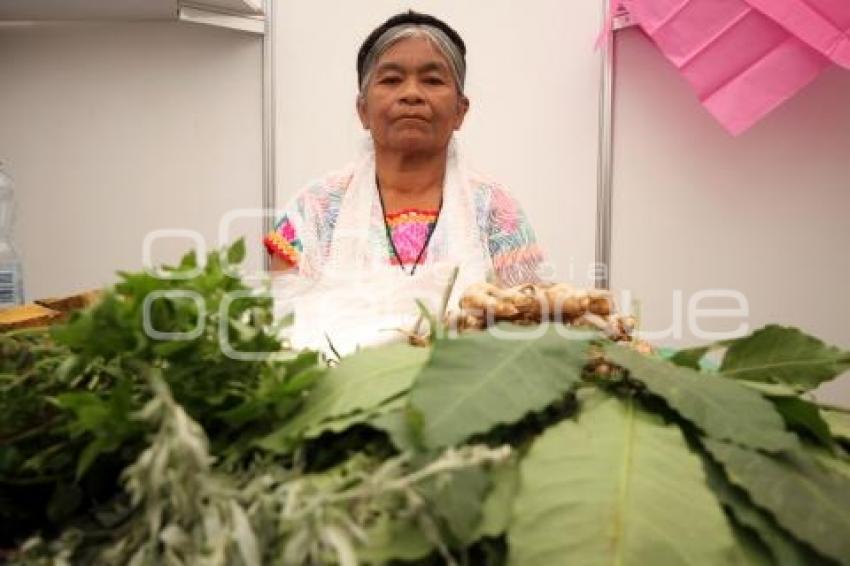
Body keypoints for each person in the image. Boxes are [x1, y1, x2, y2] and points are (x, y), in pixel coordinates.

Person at [264, 10, 545, 354]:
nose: (411, 93)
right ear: (362, 110)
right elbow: (281, 328)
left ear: (460, 111)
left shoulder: (497, 210)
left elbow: (530, 327)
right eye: (391, 79)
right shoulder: (315, 208)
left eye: (432, 80)